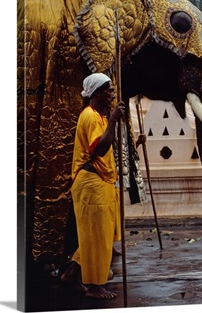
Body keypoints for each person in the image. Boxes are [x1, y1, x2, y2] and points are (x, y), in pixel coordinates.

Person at [61, 73, 125, 299]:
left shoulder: (100, 117)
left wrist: (113, 119)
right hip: (90, 183)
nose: (111, 94)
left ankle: (71, 274)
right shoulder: (89, 117)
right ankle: (96, 286)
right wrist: (115, 118)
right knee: (96, 236)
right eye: (108, 90)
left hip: (101, 182)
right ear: (97, 92)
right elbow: (99, 149)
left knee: (96, 235)